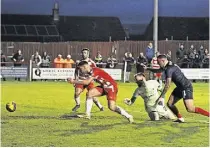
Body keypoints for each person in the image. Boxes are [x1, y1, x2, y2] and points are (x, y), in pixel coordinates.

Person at [142, 54, 209, 122]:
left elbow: (168, 84)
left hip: (186, 87)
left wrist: (161, 96)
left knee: (190, 109)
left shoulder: (169, 69)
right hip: (179, 87)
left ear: (163, 60)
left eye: (159, 62)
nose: (158, 64)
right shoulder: (167, 65)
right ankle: (180, 118)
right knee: (170, 104)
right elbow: (159, 70)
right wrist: (148, 68)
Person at [68, 61, 134, 123]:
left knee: (112, 107)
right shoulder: (91, 71)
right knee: (89, 93)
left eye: (81, 69)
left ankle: (128, 116)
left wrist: (73, 81)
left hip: (111, 87)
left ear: (84, 67)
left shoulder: (94, 70)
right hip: (104, 86)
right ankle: (87, 115)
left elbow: (87, 82)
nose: (80, 71)